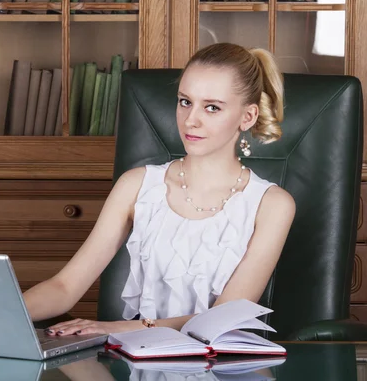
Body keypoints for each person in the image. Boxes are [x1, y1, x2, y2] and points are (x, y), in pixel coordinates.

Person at [23, 42, 296, 337]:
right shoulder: (136, 185)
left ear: (248, 117)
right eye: (184, 102)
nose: (191, 120)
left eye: (212, 107)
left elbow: (222, 318)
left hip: (220, 365)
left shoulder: (272, 205)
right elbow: (64, 287)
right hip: (137, 358)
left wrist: (115, 328)